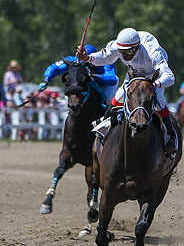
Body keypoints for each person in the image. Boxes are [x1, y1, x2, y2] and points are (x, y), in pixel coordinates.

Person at [76, 28, 178, 156]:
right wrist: (87, 57)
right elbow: (105, 58)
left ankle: (171, 136)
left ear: (137, 47)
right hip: (134, 71)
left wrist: (153, 85)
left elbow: (170, 77)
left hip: (154, 74)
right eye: (121, 52)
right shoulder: (117, 46)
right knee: (120, 95)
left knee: (159, 101)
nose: (124, 56)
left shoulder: (152, 51)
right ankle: (105, 122)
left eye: (128, 52)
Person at [38, 44, 118, 105]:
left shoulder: (105, 62)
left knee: (108, 100)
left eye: (86, 62)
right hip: (86, 85)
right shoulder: (75, 61)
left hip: (104, 85)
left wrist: (94, 76)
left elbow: (112, 79)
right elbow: (55, 67)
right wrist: (46, 80)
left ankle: (109, 114)